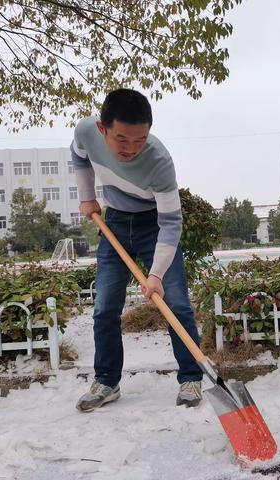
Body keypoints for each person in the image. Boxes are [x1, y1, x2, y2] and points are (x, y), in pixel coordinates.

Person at [71, 88, 203, 412]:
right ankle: (106, 381)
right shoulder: (86, 131)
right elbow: (78, 155)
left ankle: (191, 377)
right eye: (122, 139)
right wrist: (87, 195)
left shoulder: (159, 161)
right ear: (102, 129)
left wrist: (155, 274)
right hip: (113, 223)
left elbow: (171, 224)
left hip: (153, 226)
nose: (131, 148)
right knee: (104, 307)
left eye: (140, 139)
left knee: (177, 304)